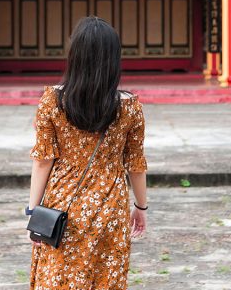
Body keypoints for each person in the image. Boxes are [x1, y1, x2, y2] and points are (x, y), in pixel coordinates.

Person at [26, 16, 148, 289]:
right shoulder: (130, 106)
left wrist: (33, 210)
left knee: (57, 277)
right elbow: (136, 165)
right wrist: (140, 207)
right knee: (106, 279)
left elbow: (43, 161)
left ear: (75, 55)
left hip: (62, 207)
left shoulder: (52, 100)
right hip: (111, 205)